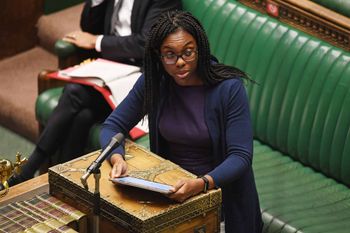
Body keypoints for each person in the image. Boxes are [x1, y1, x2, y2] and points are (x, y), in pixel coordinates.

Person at [100, 10, 263, 233]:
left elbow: (241, 156)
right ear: (158, 55)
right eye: (170, 55)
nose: (180, 62)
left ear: (200, 49)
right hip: (169, 193)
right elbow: (113, 126)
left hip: (220, 199)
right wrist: (117, 158)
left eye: (188, 53)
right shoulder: (154, 82)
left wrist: (202, 184)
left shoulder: (228, 88)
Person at [3, 0, 181, 188]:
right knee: (82, 117)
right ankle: (62, 182)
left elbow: (146, 43)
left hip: (139, 76)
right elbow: (88, 26)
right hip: (109, 69)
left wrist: (97, 42)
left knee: (74, 92)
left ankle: (29, 169)